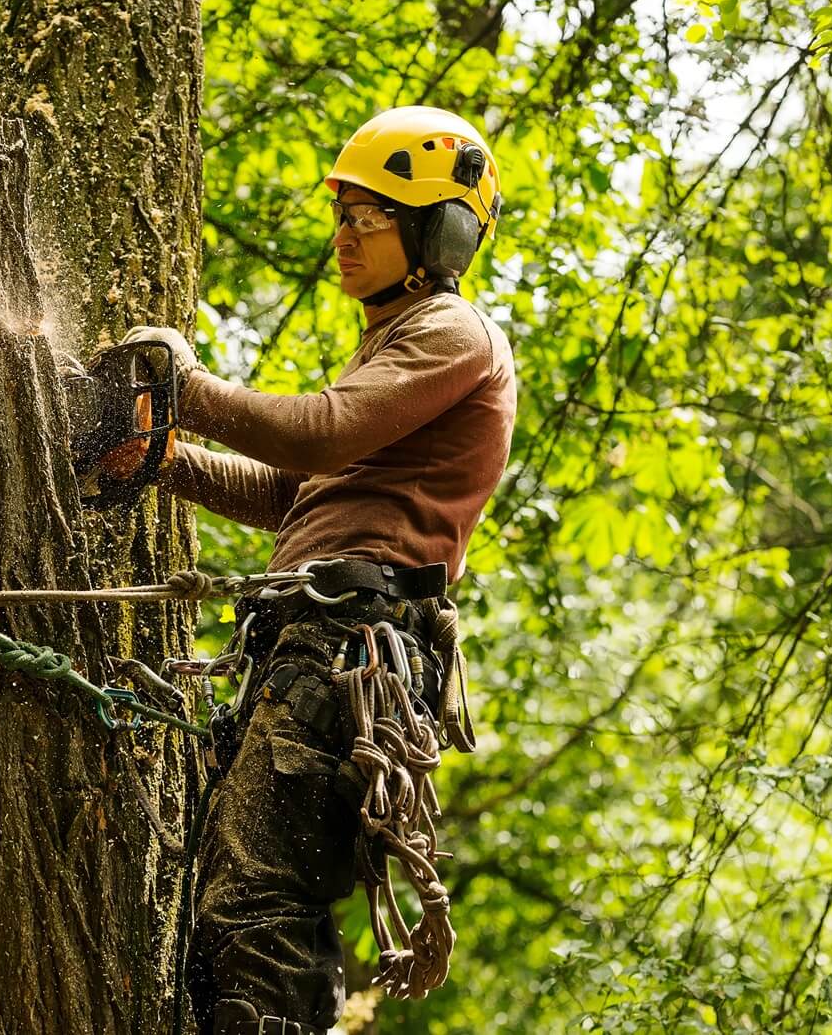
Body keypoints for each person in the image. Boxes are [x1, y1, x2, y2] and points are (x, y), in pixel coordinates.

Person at [117, 106, 517, 1035]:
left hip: (350, 646)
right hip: (315, 641)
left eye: (366, 219)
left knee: (255, 904)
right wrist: (161, 454)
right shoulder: (391, 349)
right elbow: (288, 490)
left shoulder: (453, 335)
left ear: (438, 231)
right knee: (229, 899)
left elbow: (319, 430)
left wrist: (187, 387)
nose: (343, 238)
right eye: (339, 217)